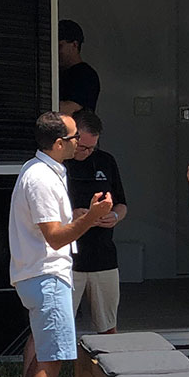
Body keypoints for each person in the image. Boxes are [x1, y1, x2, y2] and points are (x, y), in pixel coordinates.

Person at [9, 112, 112, 377]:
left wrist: (83, 215)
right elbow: (55, 238)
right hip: (46, 276)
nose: (77, 143)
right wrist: (91, 218)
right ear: (57, 144)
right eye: (73, 139)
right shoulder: (40, 178)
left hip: (40, 274)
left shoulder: (44, 171)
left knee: (40, 354)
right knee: (51, 360)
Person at [64, 109, 127, 333]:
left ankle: (106, 368)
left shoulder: (105, 161)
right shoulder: (59, 165)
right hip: (68, 259)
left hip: (103, 256)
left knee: (108, 326)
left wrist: (115, 216)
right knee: (61, 327)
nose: (87, 152)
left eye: (92, 147)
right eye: (82, 147)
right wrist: (74, 215)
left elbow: (122, 203)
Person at [57, 18, 101, 113]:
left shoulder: (86, 75)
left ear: (74, 45)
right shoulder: (56, 73)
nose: (55, 51)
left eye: (60, 46)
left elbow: (70, 109)